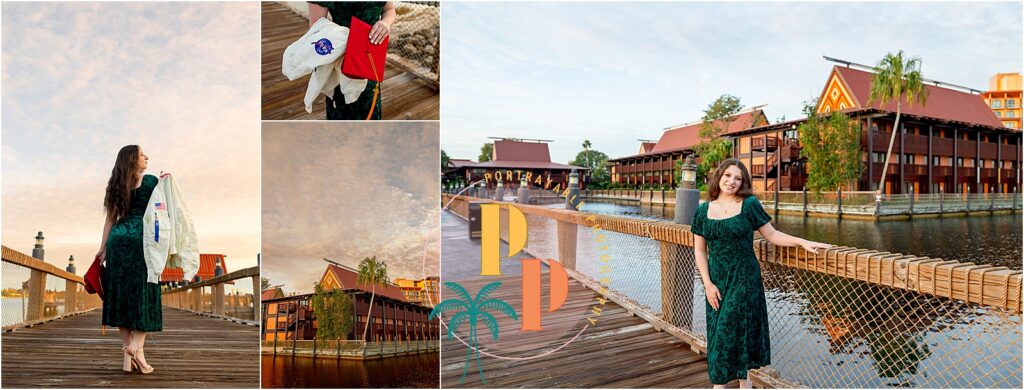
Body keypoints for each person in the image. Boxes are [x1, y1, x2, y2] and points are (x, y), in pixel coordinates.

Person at [690, 158, 831, 388]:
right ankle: (733, 384)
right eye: (727, 176)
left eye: (738, 178)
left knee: (734, 334)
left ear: (743, 182)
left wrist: (802, 241)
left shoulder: (749, 205)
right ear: (719, 176)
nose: (732, 181)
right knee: (719, 335)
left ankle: (728, 385)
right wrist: (707, 284)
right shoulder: (703, 211)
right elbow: (699, 250)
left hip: (745, 281)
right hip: (716, 283)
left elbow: (773, 235)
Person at [97, 145, 167, 374]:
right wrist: (166, 182)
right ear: (132, 160)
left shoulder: (115, 185)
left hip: (118, 240)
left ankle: (130, 358)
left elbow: (110, 220)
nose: (147, 156)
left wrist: (103, 248)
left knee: (121, 295)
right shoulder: (149, 182)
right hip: (143, 241)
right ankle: (136, 346)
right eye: (142, 154)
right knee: (146, 291)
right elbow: (163, 210)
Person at [307, 1, 397, 120]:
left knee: (369, 104)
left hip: (370, 55)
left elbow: (389, 9)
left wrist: (386, 23)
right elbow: (316, 25)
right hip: (340, 59)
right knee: (342, 107)